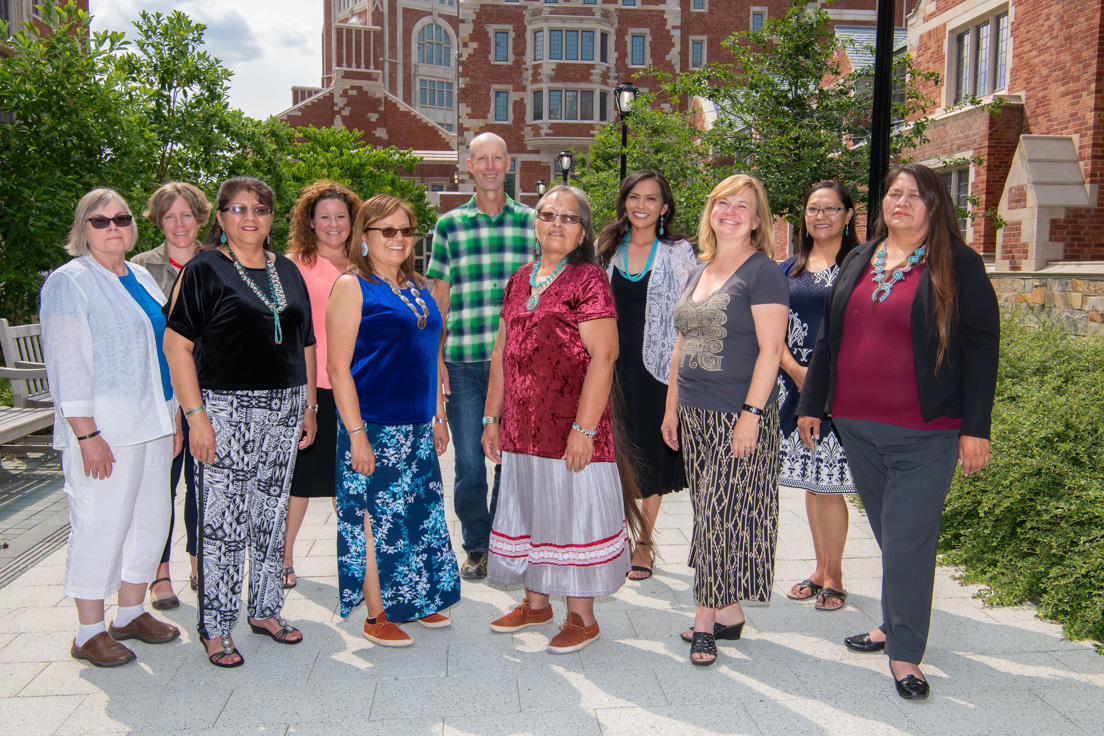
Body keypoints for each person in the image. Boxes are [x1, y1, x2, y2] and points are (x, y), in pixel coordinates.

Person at [797, 163, 999, 700]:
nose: (901, 202)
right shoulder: (861, 257)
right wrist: (812, 403)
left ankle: (905, 653)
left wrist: (976, 427)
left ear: (935, 205)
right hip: (858, 427)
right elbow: (829, 338)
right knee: (893, 533)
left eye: (914, 195)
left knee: (908, 537)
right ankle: (894, 619)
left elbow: (982, 348)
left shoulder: (957, 263)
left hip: (925, 430)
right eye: (893, 193)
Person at [164, 176, 318, 668]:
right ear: (222, 218)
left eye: (260, 209)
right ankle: (216, 625)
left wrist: (309, 406)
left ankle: (266, 609)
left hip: (286, 408)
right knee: (223, 524)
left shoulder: (288, 270)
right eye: (238, 209)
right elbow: (177, 346)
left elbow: (306, 344)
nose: (250, 218)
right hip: (224, 410)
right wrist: (196, 417)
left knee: (270, 519)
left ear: (273, 217)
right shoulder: (204, 269)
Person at [481, 185, 641, 654]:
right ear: (535, 224)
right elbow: (501, 353)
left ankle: (581, 617)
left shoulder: (588, 279)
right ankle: (536, 603)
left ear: (582, 231)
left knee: (572, 516)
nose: (556, 223)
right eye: (547, 214)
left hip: (572, 425)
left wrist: (584, 429)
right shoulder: (519, 279)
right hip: (522, 428)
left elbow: (605, 355)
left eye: (568, 218)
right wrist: (493, 416)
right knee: (533, 510)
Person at [41, 188, 182, 668]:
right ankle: (89, 630)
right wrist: (85, 434)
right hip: (105, 429)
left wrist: (176, 413)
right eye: (99, 221)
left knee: (149, 519)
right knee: (100, 523)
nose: (113, 227)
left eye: (120, 218)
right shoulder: (70, 282)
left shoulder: (140, 274)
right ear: (83, 229)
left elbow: (162, 351)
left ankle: (128, 612)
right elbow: (67, 362)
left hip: (154, 420)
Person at [660, 174, 788, 666]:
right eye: (722, 203)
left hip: (737, 415)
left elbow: (772, 351)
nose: (730, 211)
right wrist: (671, 407)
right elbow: (681, 344)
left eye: (743, 206)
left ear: (757, 221)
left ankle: (705, 623)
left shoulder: (764, 272)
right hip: (693, 413)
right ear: (710, 210)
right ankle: (730, 610)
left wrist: (752, 414)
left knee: (718, 514)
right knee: (714, 514)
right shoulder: (700, 269)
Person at [327, 194, 460, 647]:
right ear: (364, 237)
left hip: (417, 425)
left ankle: (416, 600)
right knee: (371, 520)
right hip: (372, 425)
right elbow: (337, 368)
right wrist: (357, 435)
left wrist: (438, 414)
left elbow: (429, 357)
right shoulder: (352, 286)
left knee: (416, 516)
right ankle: (376, 614)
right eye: (387, 230)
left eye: (405, 230)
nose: (399, 238)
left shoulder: (418, 287)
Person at [427, 132, 536, 581]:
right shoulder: (449, 226)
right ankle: (477, 545)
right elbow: (439, 300)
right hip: (465, 360)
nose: (490, 166)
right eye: (481, 159)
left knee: (513, 460)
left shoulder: (534, 222)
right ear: (468, 166)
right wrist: (433, 362)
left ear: (508, 164)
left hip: (518, 362)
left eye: (497, 158)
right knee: (471, 462)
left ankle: (506, 542)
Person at [596, 170, 695, 580]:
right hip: (608, 369)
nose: (641, 205)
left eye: (651, 199)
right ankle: (612, 535)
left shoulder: (677, 252)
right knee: (610, 453)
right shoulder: (605, 250)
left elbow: (692, 310)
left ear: (664, 207)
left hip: (656, 370)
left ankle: (644, 542)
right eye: (634, 197)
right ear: (624, 202)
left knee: (648, 458)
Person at [778, 182, 859, 612]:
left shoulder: (862, 266)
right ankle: (819, 567)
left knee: (830, 486)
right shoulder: (787, 269)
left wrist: (826, 380)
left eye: (831, 208)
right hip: (794, 387)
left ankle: (836, 576)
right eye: (812, 209)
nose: (821, 216)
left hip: (841, 389)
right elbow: (771, 328)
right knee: (813, 484)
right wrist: (795, 371)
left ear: (849, 215)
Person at [133, 181, 212, 609]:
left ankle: (199, 560)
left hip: (208, 393)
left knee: (202, 485)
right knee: (160, 487)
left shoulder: (216, 262)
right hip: (160, 395)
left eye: (186, 214)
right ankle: (158, 573)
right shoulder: (139, 270)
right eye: (169, 216)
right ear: (158, 221)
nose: (178, 224)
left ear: (200, 216)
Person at [283, 180, 363, 590]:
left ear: (353, 221)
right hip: (313, 387)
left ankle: (357, 560)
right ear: (310, 222)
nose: (333, 224)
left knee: (350, 477)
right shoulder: (293, 264)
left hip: (359, 383)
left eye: (341, 216)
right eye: (324, 217)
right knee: (301, 478)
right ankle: (284, 558)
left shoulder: (366, 260)